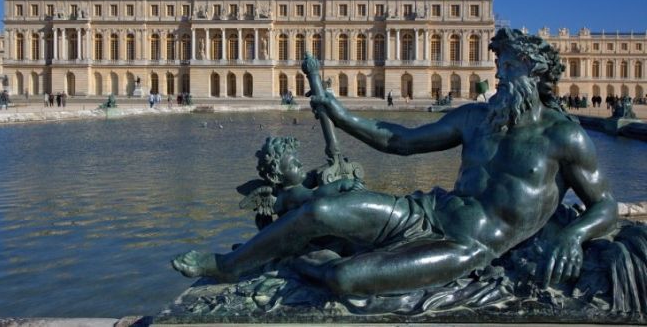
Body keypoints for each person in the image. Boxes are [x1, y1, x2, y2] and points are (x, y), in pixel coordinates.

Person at [172, 28, 617, 296]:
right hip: (430, 212)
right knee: (321, 209)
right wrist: (340, 113)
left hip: (467, 246)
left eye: (508, 66)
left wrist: (574, 235)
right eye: (498, 64)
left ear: (534, 72)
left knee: (345, 279)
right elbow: (399, 141)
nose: (497, 74)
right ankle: (228, 267)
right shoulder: (477, 119)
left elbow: (606, 207)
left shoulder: (564, 136)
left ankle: (296, 261)